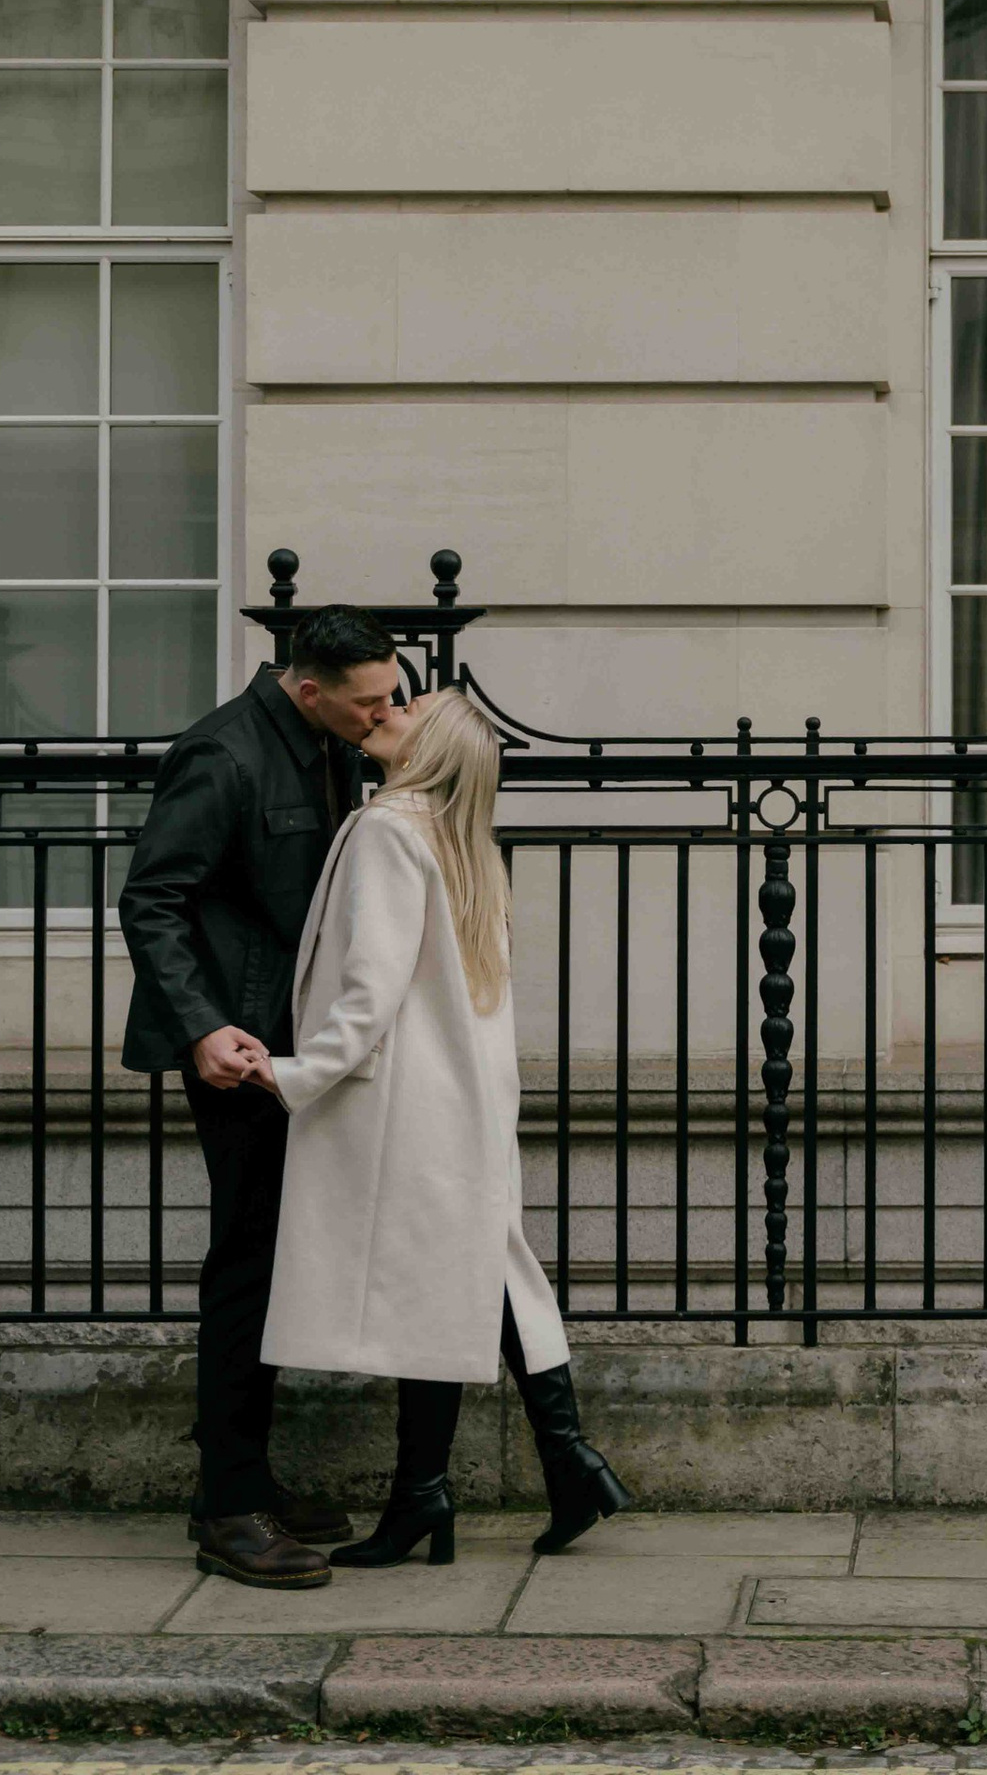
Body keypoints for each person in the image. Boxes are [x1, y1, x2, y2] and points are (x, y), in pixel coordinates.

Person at [255, 682, 629, 1569]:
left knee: (447, 1286)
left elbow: (368, 990)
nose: (388, 710)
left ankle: (463, 1489)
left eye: (407, 712)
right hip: (468, 1097)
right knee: (470, 1282)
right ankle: (525, 1473)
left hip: (406, 1106)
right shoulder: (465, 845)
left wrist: (291, 1074)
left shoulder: (389, 830)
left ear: (431, 751)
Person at [117, 605, 404, 1589]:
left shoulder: (332, 743)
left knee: (279, 1259)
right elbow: (152, 897)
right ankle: (227, 1508)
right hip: (238, 1048)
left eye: (390, 695)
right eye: (369, 701)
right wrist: (201, 1029)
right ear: (309, 685)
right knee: (247, 1261)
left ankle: (249, 1479)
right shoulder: (225, 755)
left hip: (299, 1045)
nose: (385, 714)